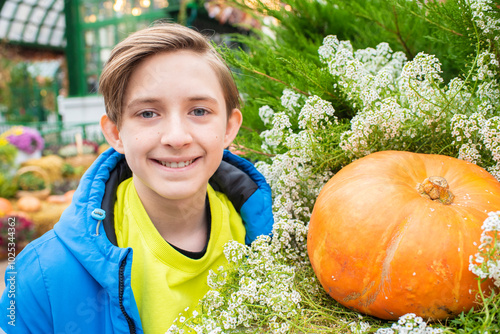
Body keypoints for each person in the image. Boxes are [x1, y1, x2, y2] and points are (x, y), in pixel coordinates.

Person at [0, 23, 273, 333]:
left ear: (228, 127)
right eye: (147, 113)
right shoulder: (41, 279)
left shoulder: (277, 241)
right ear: (115, 133)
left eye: (198, 111)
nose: (176, 137)